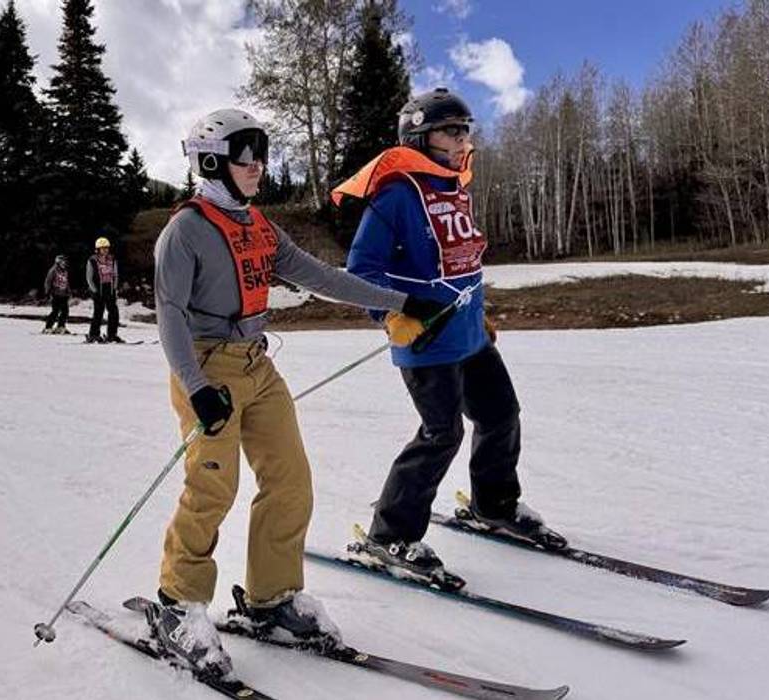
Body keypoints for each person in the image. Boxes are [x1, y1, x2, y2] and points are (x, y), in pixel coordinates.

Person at [149, 107, 431, 679]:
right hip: (207, 367)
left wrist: (402, 301)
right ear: (212, 162)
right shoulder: (185, 230)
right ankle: (177, 605)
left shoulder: (258, 226)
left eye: (261, 154)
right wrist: (197, 388)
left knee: (290, 479)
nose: (257, 166)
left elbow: (320, 277)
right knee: (212, 489)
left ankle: (270, 599)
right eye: (244, 155)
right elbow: (169, 315)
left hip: (256, 364)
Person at [338, 88, 565, 587]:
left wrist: (480, 315)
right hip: (425, 339)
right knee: (441, 434)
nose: (462, 139)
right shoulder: (396, 194)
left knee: (501, 414)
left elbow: (464, 265)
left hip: (467, 334)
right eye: (450, 131)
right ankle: (389, 534)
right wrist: (389, 314)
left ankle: (494, 503)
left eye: (465, 130)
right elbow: (362, 269)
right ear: (418, 137)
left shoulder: (453, 187)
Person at [85, 238, 122, 343]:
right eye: (103, 248)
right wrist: (94, 291)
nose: (105, 250)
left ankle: (112, 335)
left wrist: (114, 288)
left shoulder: (112, 259)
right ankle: (93, 335)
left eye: (106, 248)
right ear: (98, 249)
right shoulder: (92, 260)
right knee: (98, 312)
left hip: (109, 289)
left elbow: (115, 274)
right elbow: (89, 277)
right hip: (98, 290)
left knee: (114, 313)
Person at [43, 254, 71, 334]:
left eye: (65, 262)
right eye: (63, 261)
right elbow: (48, 281)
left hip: (63, 294)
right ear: (58, 262)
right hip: (55, 294)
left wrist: (69, 292)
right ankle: (48, 327)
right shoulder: (53, 270)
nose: (64, 263)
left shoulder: (65, 271)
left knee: (65, 311)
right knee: (55, 311)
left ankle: (60, 326)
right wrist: (47, 292)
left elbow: (66, 282)